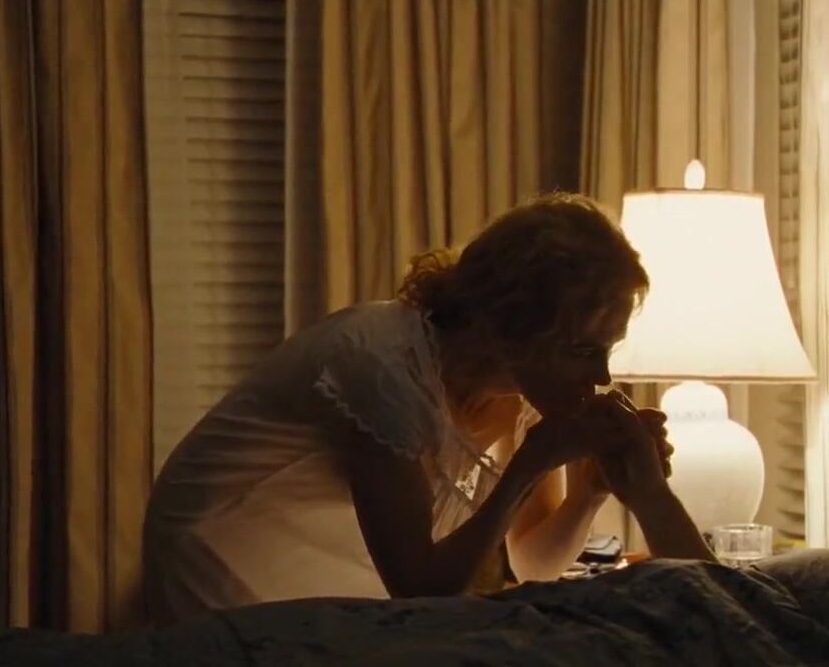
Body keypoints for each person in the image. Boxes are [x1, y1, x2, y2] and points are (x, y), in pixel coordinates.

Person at [143, 194, 711, 626]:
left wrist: (591, 492)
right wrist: (530, 464)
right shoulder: (382, 367)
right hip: (229, 549)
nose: (602, 377)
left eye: (608, 351)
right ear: (516, 326)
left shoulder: (527, 393)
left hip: (341, 562)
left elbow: (534, 563)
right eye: (584, 350)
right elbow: (419, 587)